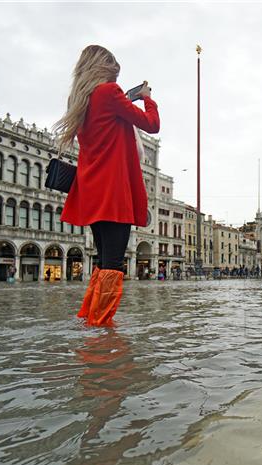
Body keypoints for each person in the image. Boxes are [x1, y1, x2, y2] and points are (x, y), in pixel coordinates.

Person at [55, 45, 159, 327]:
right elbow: (152, 124)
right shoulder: (109, 93)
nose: (116, 79)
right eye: (113, 73)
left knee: (103, 262)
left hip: (91, 190)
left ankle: (91, 320)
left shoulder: (81, 101)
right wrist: (147, 99)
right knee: (112, 264)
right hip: (113, 191)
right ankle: (101, 331)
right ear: (105, 68)